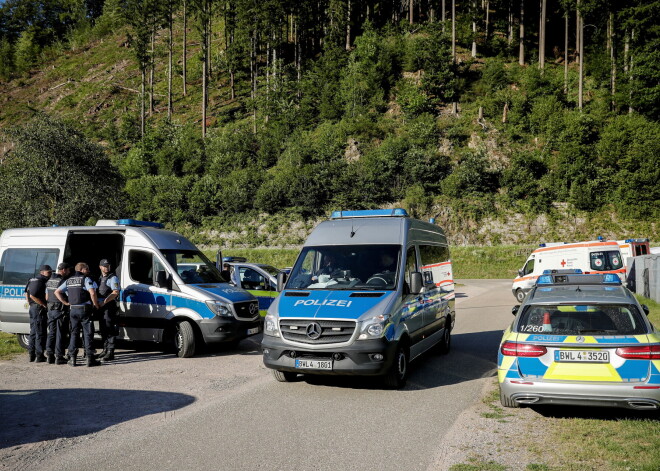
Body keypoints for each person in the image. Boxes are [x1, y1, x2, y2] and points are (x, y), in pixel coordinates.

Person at [55, 262, 101, 367]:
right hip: (84, 309)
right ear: (82, 269)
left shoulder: (69, 280)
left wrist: (66, 303)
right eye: (87, 269)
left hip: (73, 310)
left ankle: (72, 359)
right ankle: (90, 359)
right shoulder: (85, 279)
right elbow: (92, 292)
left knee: (74, 334)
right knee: (87, 333)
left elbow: (57, 292)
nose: (88, 271)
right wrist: (96, 304)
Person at [45, 262, 72, 364]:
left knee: (51, 333)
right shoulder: (62, 281)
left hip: (50, 309)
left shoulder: (50, 280)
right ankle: (59, 357)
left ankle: (50, 355)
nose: (69, 272)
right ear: (63, 270)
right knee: (60, 333)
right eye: (68, 270)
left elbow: (47, 297)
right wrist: (65, 302)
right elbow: (64, 294)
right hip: (60, 310)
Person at [24, 265, 52, 363]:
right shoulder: (41, 280)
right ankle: (39, 356)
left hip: (33, 308)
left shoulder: (32, 279)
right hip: (38, 308)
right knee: (40, 332)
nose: (50, 274)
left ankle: (31, 355)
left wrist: (30, 303)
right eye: (48, 272)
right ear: (42, 272)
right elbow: (32, 295)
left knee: (33, 332)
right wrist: (43, 304)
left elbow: (26, 293)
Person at [96, 259, 120, 362]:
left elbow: (115, 292)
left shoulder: (113, 278)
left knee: (110, 329)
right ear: (100, 267)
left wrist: (104, 302)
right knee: (103, 329)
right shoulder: (100, 278)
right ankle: (105, 349)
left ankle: (110, 352)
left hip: (109, 306)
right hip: (101, 307)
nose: (107, 267)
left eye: (108, 266)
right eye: (105, 266)